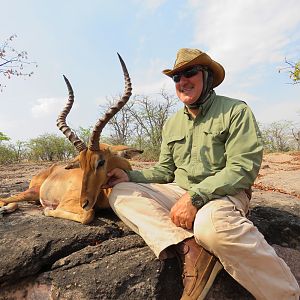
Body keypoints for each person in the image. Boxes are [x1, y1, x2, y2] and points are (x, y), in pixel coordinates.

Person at [105, 48, 300, 300]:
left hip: (223, 194)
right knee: (120, 193)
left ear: (206, 76)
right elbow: (165, 171)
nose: (183, 81)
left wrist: (195, 197)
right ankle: (190, 249)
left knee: (213, 229)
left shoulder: (235, 111)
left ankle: (286, 294)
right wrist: (129, 176)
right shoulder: (172, 122)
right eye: (177, 77)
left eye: (190, 72)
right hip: (180, 191)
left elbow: (243, 169)